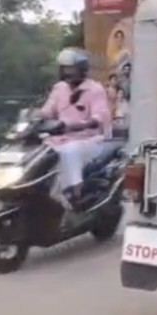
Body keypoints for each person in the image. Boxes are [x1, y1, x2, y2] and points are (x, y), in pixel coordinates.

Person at [39, 48, 118, 209]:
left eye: (72, 69)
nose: (68, 73)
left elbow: (100, 117)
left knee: (70, 150)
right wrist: (33, 116)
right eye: (65, 69)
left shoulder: (95, 89)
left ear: (82, 69)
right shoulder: (59, 88)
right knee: (40, 152)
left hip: (89, 139)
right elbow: (47, 111)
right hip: (58, 139)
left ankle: (75, 193)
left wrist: (79, 125)